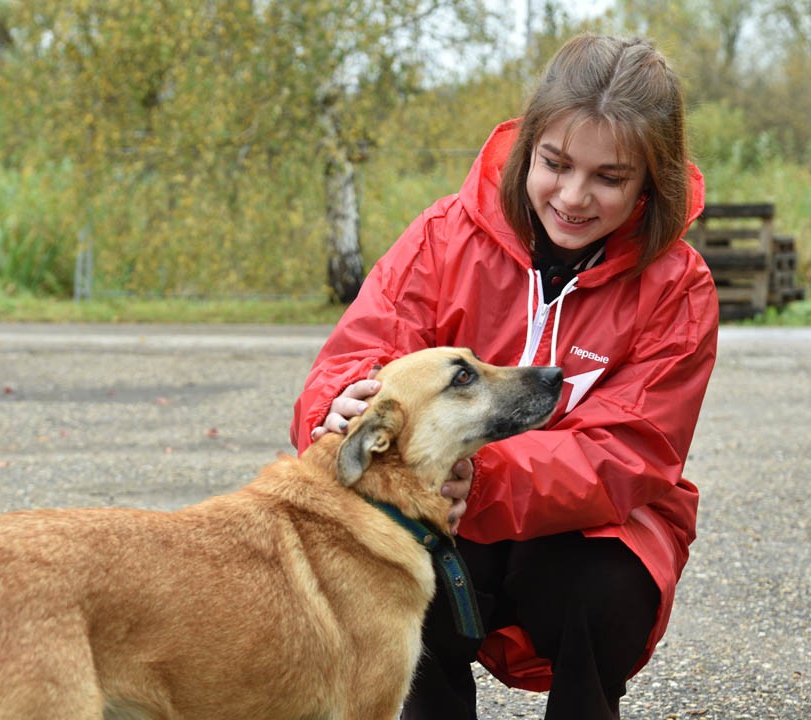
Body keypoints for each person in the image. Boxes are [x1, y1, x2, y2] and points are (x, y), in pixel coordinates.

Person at [289, 34, 719, 720]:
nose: (573, 196)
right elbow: (357, 356)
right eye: (555, 164)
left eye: (609, 177)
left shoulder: (678, 288)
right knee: (392, 536)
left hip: (590, 534)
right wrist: (336, 403)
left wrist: (485, 478)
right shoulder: (442, 237)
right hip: (451, 516)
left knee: (600, 591)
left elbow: (631, 452)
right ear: (529, 150)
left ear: (650, 182)